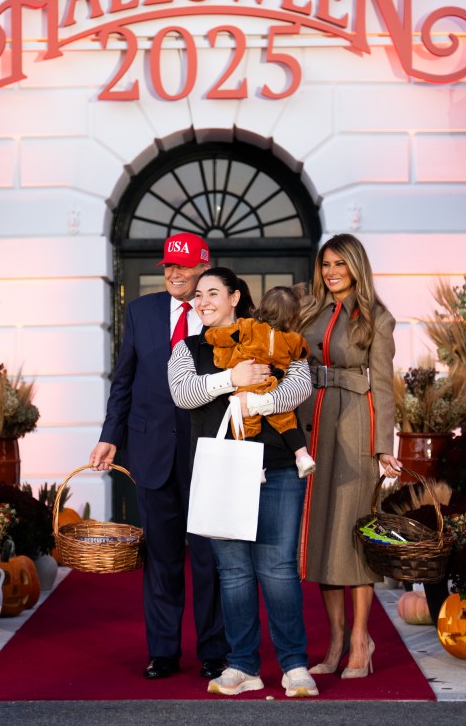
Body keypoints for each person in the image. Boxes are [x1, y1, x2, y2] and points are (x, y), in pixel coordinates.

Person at [168, 267, 319, 697]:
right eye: (198, 295)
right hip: (222, 469)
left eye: (213, 293)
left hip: (277, 467)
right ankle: (243, 666)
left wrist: (261, 399)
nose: (203, 301)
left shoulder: (268, 335)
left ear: (235, 297)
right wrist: (230, 380)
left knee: (277, 569)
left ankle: (294, 666)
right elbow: (183, 394)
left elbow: (301, 381)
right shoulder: (187, 348)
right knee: (232, 572)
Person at [88, 233, 228, 681]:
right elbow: (123, 380)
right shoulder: (141, 311)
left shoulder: (222, 313)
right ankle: (163, 652)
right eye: (169, 265)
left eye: (183, 267)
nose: (173, 273)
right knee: (162, 557)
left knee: (209, 556)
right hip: (151, 450)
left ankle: (214, 651)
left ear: (204, 268)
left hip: (207, 450)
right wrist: (110, 435)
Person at [297, 234, 402, 680]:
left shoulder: (377, 317)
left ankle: (361, 639)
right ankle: (336, 639)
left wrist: (383, 446)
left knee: (353, 537)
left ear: (357, 266)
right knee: (321, 536)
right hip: (313, 425)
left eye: (340, 263)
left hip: (356, 427)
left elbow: (383, 383)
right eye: (326, 264)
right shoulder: (310, 312)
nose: (332, 271)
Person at [204, 285, 316, 478]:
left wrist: (210, 334)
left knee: (246, 424)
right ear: (293, 316)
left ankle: (255, 467)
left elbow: (223, 335)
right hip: (271, 383)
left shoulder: (248, 327)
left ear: (263, 307)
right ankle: (302, 456)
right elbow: (303, 352)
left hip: (248, 386)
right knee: (287, 421)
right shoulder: (292, 338)